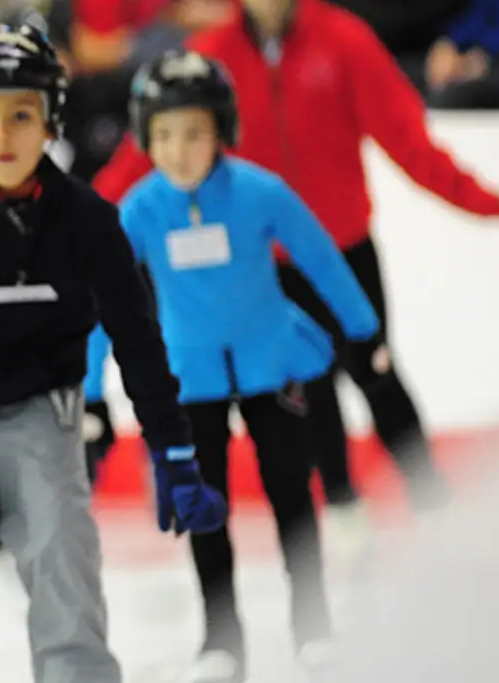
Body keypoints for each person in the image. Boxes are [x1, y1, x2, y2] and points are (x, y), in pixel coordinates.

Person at [91, 0, 499, 548]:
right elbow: (139, 161)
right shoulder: (210, 57)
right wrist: (64, 224)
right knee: (307, 392)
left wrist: (483, 200)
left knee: (378, 372)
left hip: (341, 251)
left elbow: (408, 139)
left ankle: (433, 502)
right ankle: (343, 509)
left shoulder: (344, 41)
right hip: (259, 268)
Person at [0, 24, 228, 683]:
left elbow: (138, 338)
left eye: (21, 115)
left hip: (44, 402)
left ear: (51, 121)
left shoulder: (89, 219)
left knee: (58, 543)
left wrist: (174, 446)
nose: (2, 135)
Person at [88, 49, 379, 681]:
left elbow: (323, 260)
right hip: (190, 381)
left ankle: (313, 626)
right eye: (163, 135)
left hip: (274, 368)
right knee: (205, 511)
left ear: (221, 129)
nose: (179, 149)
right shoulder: (140, 209)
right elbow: (106, 300)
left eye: (193, 132)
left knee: (291, 499)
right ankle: (221, 642)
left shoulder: (259, 192)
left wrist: (363, 331)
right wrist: (90, 387)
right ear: (144, 137)